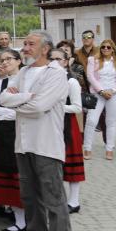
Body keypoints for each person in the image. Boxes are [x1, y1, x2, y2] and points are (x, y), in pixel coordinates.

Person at [0, 31, 72, 231]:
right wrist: (27, 97)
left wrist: (19, 101)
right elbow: (2, 99)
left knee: (54, 200)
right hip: (23, 144)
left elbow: (40, 106)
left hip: (46, 145)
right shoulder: (23, 72)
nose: (25, 48)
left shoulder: (57, 74)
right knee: (30, 197)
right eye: (25, 44)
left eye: (31, 44)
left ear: (45, 49)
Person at [0, 49, 26, 231]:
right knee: (7, 174)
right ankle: (18, 219)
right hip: (3, 132)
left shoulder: (27, 79)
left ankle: (28, 218)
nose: (4, 63)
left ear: (19, 61)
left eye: (8, 59)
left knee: (21, 174)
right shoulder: (1, 81)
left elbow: (29, 106)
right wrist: (12, 110)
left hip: (22, 131)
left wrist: (8, 108)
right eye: (2, 60)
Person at [50, 48, 85, 213]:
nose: (54, 62)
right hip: (51, 124)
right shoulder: (47, 79)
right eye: (52, 59)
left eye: (58, 59)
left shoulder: (71, 81)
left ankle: (74, 201)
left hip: (68, 124)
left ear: (65, 61)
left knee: (71, 163)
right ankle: (58, 198)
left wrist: (57, 107)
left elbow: (78, 107)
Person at [83, 38, 116, 160]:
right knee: (91, 120)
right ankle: (87, 148)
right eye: (103, 47)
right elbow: (90, 76)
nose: (105, 49)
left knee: (111, 122)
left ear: (113, 49)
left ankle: (109, 149)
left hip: (114, 93)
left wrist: (112, 90)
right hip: (98, 93)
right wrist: (101, 91)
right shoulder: (93, 60)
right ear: (100, 48)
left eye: (108, 47)